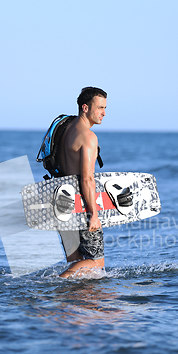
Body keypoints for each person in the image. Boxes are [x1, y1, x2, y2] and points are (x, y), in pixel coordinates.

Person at [58, 87, 107, 278]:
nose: (104, 113)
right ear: (85, 108)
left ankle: (73, 306)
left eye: (105, 107)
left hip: (61, 203)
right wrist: (93, 214)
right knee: (96, 262)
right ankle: (56, 285)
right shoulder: (88, 136)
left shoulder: (67, 128)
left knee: (78, 262)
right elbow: (86, 178)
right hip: (79, 205)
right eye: (100, 107)